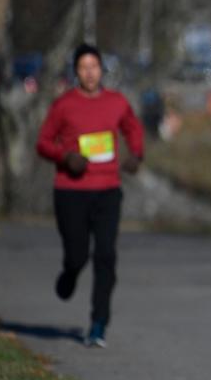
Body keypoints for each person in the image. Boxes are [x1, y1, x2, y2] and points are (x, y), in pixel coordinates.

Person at [36, 43, 144, 348]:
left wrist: (136, 155)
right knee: (78, 254)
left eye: (94, 66)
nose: (89, 72)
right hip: (71, 191)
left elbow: (133, 129)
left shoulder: (117, 102)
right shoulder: (64, 105)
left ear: (101, 70)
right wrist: (65, 157)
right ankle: (70, 273)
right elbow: (43, 142)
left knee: (106, 255)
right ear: (76, 72)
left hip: (108, 189)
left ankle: (98, 323)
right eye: (83, 67)